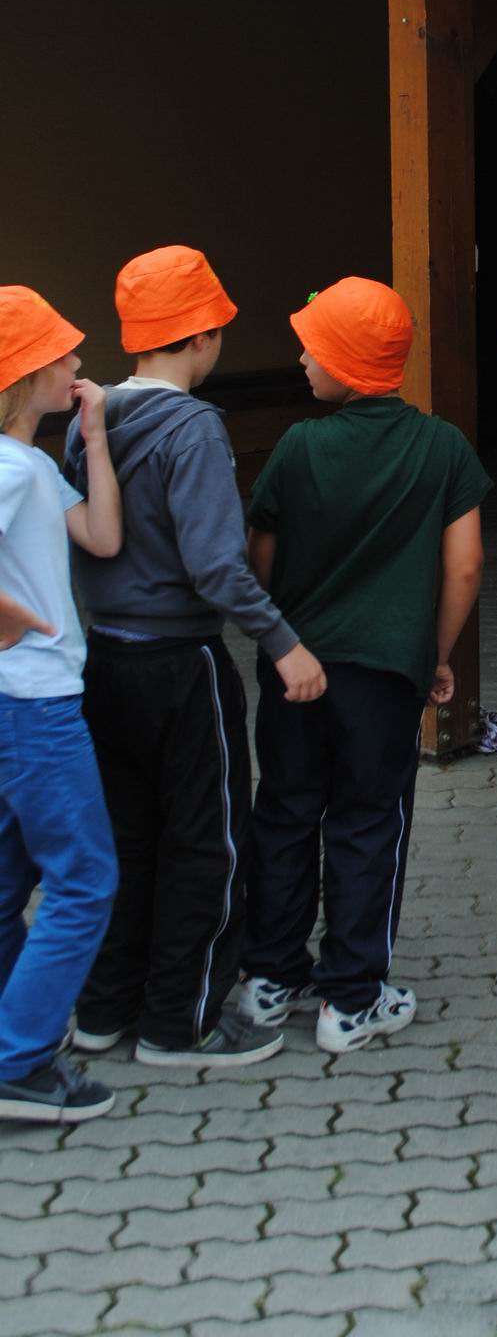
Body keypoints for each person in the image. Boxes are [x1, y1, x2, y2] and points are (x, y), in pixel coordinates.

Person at [65, 245, 316, 1070]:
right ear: (204, 335)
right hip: (183, 664)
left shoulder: (90, 417)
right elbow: (216, 566)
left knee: (126, 838)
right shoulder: (195, 427)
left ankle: (105, 1009)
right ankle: (181, 1023)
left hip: (105, 660)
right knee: (205, 845)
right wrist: (284, 644)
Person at [241, 277, 489, 1052]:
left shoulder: (298, 446)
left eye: (312, 347)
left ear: (346, 361)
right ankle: (349, 1000)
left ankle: (269, 980)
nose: (301, 359)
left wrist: (280, 634)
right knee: (368, 822)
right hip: (384, 678)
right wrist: (434, 655)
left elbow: (259, 554)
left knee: (285, 813)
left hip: (295, 669)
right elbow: (466, 567)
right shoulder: (443, 447)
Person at [0, 287, 120, 1123]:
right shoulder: (9, 469)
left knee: (8, 883)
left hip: (20, 704)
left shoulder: (32, 464)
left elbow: (103, 538)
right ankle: (17, 1060)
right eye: (62, 353)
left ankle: (15, 1040)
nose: (78, 362)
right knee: (85, 880)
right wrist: (9, 617)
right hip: (35, 707)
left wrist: (96, 437)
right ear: (23, 374)